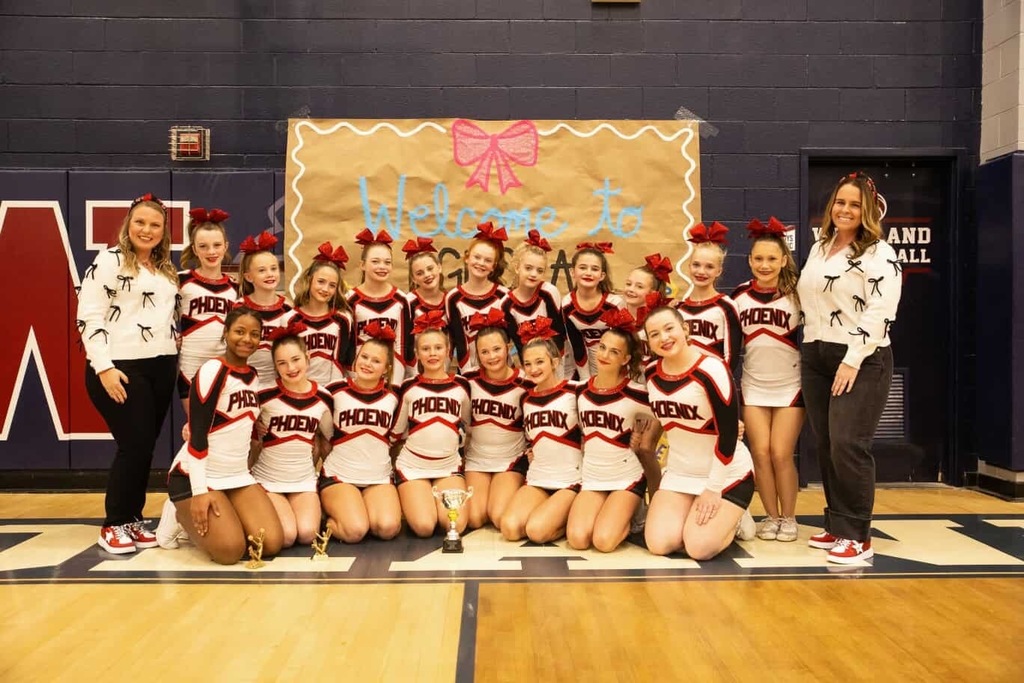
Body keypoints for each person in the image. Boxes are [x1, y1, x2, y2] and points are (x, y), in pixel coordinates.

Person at [797, 171, 902, 564]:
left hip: (860, 359)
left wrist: (852, 359)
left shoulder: (879, 253)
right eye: (840, 202)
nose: (845, 210)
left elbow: (881, 313)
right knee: (825, 444)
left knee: (848, 444)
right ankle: (838, 523)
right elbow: (809, 300)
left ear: (869, 210)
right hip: (816, 354)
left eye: (855, 204)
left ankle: (858, 536)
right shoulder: (820, 246)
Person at [79, 193, 179, 554]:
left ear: (164, 231)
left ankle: (132, 519)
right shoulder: (108, 261)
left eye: (155, 225)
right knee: (133, 444)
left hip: (161, 365)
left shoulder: (164, 268)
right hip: (120, 367)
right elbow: (89, 316)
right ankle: (113, 523)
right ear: (128, 224)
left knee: (144, 448)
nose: (147, 230)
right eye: (140, 222)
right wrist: (104, 367)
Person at [164, 307, 285, 564]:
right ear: (226, 332)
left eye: (254, 334)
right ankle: (177, 514)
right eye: (239, 332)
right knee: (230, 552)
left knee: (271, 543)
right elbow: (197, 436)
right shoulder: (213, 370)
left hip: (235, 475)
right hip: (197, 476)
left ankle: (224, 514)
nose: (246, 339)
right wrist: (199, 491)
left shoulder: (252, 376)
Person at [643, 306, 755, 560]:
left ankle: (736, 518)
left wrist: (713, 489)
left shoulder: (712, 369)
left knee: (698, 548)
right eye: (654, 334)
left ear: (685, 329)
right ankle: (705, 517)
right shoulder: (651, 373)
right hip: (681, 473)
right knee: (659, 544)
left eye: (669, 329)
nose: (664, 338)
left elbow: (728, 436)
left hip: (725, 475)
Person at [732, 217, 804, 542]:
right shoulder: (738, 296)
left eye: (772, 259)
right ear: (749, 260)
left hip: (790, 386)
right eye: (758, 258)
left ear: (784, 260)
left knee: (780, 454)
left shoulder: (797, 295)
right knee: (759, 453)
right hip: (753, 385)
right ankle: (771, 517)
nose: (764, 265)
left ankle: (789, 517)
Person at [566, 312, 652, 553]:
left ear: (626, 359)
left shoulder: (636, 392)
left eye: (614, 352)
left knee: (603, 542)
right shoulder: (580, 389)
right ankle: (613, 513)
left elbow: (671, 413)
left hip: (627, 477)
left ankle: (635, 514)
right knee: (578, 539)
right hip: (593, 477)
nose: (604, 355)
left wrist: (644, 436)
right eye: (602, 347)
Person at [250, 323, 333, 548]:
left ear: (307, 357)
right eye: (282, 363)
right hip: (268, 479)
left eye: (296, 359)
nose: (291, 368)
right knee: (286, 536)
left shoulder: (324, 398)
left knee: (307, 535)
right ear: (275, 367)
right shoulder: (263, 396)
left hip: (303, 480)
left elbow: (329, 441)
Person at [320, 323, 403, 543]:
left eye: (376, 361)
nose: (367, 364)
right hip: (340, 476)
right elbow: (324, 432)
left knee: (388, 527)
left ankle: (360, 508)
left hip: (378, 477)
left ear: (386, 368)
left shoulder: (394, 398)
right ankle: (326, 518)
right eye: (364, 357)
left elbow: (394, 437)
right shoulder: (334, 390)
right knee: (355, 531)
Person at [501, 319, 581, 544]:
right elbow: (531, 435)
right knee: (510, 528)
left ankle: (572, 515)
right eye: (527, 364)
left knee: (536, 531)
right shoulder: (526, 398)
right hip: (539, 476)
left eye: (539, 362)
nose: (533, 369)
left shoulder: (575, 391)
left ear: (555, 361)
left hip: (571, 478)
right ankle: (552, 514)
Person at [392, 311, 471, 537]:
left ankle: (435, 497)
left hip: (448, 466)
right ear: (417, 353)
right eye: (425, 349)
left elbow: (470, 425)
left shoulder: (462, 386)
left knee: (453, 525)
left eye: (438, 347)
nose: (432, 353)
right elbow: (396, 433)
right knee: (424, 527)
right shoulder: (408, 387)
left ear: (448, 351)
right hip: (412, 466)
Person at [463, 311, 530, 530]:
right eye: (484, 352)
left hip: (510, 461)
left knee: (498, 515)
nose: (491, 356)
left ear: (509, 346)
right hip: (477, 460)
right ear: (477, 353)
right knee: (473, 518)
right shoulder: (468, 381)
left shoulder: (525, 382)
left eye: (497, 349)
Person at [176, 207, 237, 416]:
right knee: (197, 434)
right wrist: (170, 336)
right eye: (204, 246)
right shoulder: (181, 280)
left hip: (224, 365)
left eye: (217, 245)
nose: (211, 252)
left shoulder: (234, 287)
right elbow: (160, 316)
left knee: (222, 431)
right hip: (190, 367)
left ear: (226, 246)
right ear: (194, 248)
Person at [346, 228, 414, 385]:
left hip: (391, 377)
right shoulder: (350, 300)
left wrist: (395, 383)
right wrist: (355, 379)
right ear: (362, 265)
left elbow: (403, 346)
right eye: (375, 261)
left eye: (387, 262)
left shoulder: (401, 300)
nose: (382, 267)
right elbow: (348, 347)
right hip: (359, 376)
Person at [674, 222, 742, 376]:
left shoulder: (726, 306)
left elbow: (732, 357)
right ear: (689, 266)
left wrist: (718, 382)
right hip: (685, 383)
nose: (701, 271)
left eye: (709, 267)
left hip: (714, 382)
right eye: (696, 265)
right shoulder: (679, 309)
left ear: (719, 271)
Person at [445, 222, 509, 373]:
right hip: (470, 372)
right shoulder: (453, 298)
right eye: (477, 257)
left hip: (502, 372)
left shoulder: (504, 295)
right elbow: (459, 343)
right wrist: (470, 377)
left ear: (494, 266)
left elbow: (509, 339)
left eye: (487, 260)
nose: (481, 263)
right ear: (467, 258)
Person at [289, 241, 355, 386]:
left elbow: (343, 361)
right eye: (321, 282)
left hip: (332, 390)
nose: (325, 289)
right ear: (309, 280)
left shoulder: (343, 319)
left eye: (332, 285)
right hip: (298, 390)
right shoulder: (290, 319)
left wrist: (334, 392)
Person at [236, 230, 292, 389]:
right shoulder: (239, 307)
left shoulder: (288, 308)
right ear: (248, 277)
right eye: (262, 270)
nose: (270, 274)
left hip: (277, 384)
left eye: (273, 269)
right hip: (243, 381)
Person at [562, 242, 624, 381]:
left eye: (594, 269)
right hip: (585, 370)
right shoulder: (566, 305)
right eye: (583, 267)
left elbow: (625, 343)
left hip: (617, 368)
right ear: (572, 272)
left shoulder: (615, 304)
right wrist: (586, 381)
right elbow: (576, 346)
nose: (588, 273)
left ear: (602, 275)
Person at [501, 229, 567, 360]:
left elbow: (559, 333)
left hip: (556, 358)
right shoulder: (506, 303)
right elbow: (518, 343)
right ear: (517, 267)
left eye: (539, 270)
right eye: (528, 268)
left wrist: (555, 366)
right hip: (530, 362)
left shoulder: (549, 292)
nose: (533, 274)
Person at [403, 237, 447, 323]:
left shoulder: (449, 300)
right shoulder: (408, 302)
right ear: (413, 278)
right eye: (420, 273)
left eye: (430, 269)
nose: (427, 275)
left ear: (439, 267)